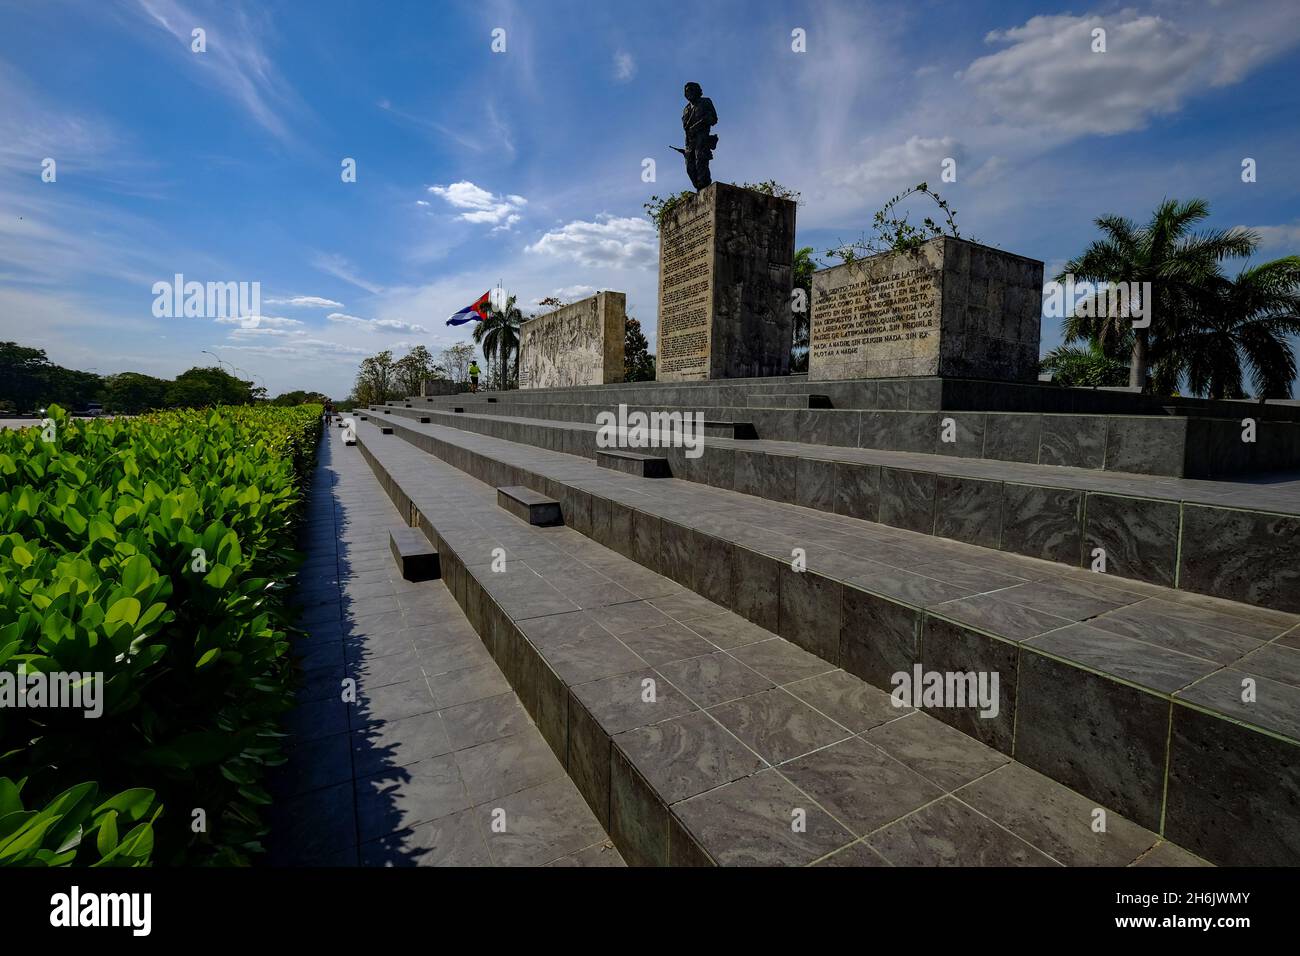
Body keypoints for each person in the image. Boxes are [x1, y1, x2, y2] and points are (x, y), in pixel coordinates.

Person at [681, 82, 718, 190]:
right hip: (690, 141)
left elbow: (714, 119)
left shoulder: (705, 102)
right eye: (687, 91)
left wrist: (700, 124)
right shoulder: (686, 109)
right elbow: (685, 128)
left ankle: (704, 186)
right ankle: (699, 187)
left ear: (697, 91)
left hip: (702, 137)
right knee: (689, 167)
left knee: (701, 161)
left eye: (691, 90)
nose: (689, 93)